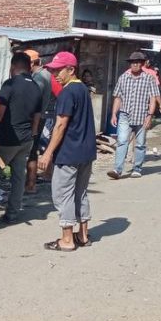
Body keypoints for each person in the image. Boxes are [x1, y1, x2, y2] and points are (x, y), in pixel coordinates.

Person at [37, 51, 97, 252]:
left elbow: (61, 125)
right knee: (81, 193)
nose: (55, 74)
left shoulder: (67, 92)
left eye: (58, 70)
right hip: (86, 151)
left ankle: (67, 239)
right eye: (53, 70)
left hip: (69, 152)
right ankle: (83, 234)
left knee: (63, 194)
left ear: (71, 69)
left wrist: (47, 153)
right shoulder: (83, 90)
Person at [0, 52, 43, 223]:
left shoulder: (10, 84)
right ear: (29, 68)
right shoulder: (36, 87)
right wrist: (33, 134)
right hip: (26, 139)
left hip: (8, 139)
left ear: (13, 67)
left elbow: (0, 112)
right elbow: (37, 115)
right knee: (18, 177)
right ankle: (12, 213)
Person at [107, 51, 161, 179]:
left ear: (142, 64)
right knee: (121, 141)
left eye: (137, 62)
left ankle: (137, 168)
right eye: (132, 62)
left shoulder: (149, 78)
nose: (135, 65)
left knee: (140, 143)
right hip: (125, 115)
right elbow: (117, 97)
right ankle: (117, 170)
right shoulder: (123, 78)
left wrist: (150, 115)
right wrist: (114, 114)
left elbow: (153, 98)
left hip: (142, 115)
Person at [25, 49, 53, 193]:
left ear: (31, 63)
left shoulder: (39, 78)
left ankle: (31, 184)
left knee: (31, 151)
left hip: (37, 118)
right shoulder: (46, 74)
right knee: (33, 150)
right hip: (42, 116)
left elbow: (34, 102)